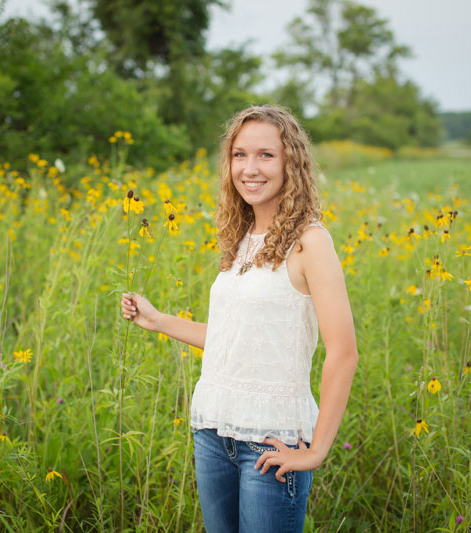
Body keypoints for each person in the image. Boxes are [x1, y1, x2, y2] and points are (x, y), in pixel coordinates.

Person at [120, 104, 358, 532]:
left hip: (271, 441)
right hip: (213, 432)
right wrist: (158, 321)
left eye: (266, 155)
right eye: (239, 155)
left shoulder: (310, 241)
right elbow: (237, 339)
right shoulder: (242, 238)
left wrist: (316, 450)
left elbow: (343, 352)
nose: (250, 168)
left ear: (292, 163)